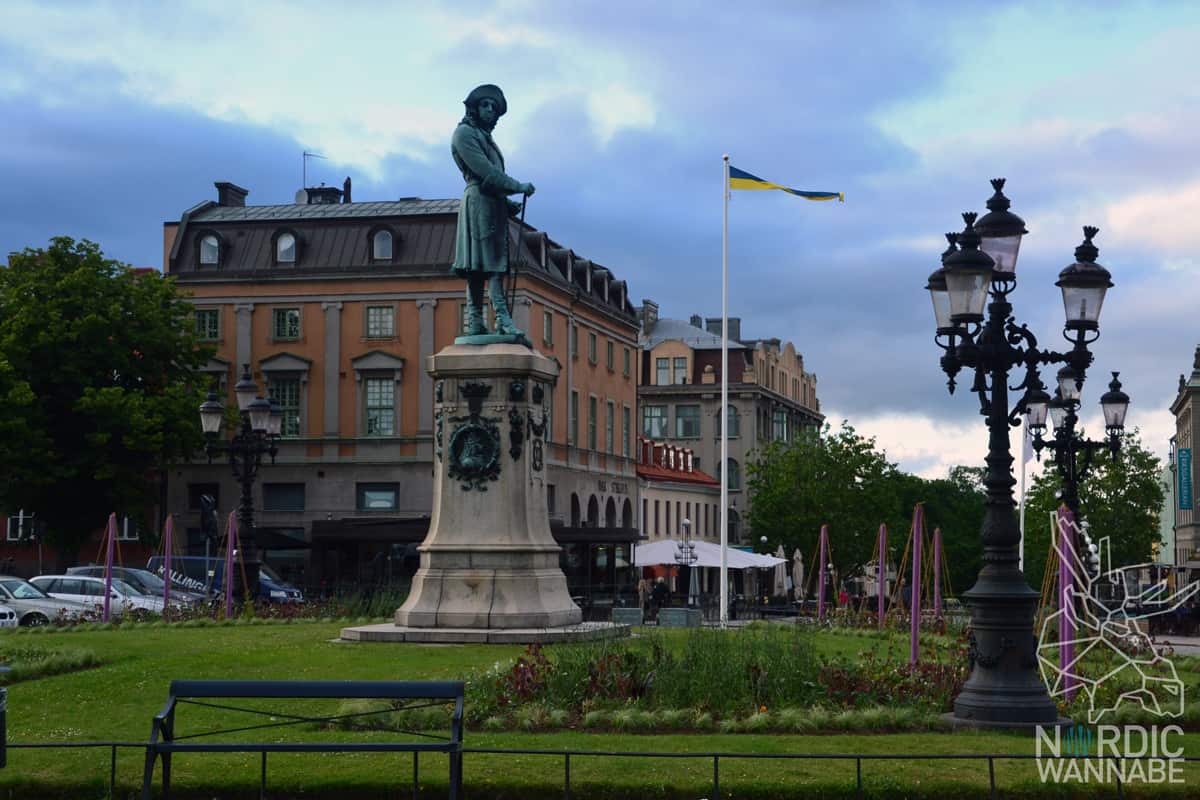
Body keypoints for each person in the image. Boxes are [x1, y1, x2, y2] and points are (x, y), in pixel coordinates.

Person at [450, 84, 535, 337]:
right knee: (490, 266)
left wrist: (507, 204)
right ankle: (500, 318)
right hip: (479, 204)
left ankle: (477, 321)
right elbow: (486, 172)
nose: (489, 110)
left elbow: (491, 178)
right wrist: (517, 186)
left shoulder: (485, 137)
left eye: (494, 108)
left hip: (491, 204)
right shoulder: (464, 134)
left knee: (480, 265)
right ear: (474, 107)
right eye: (485, 105)